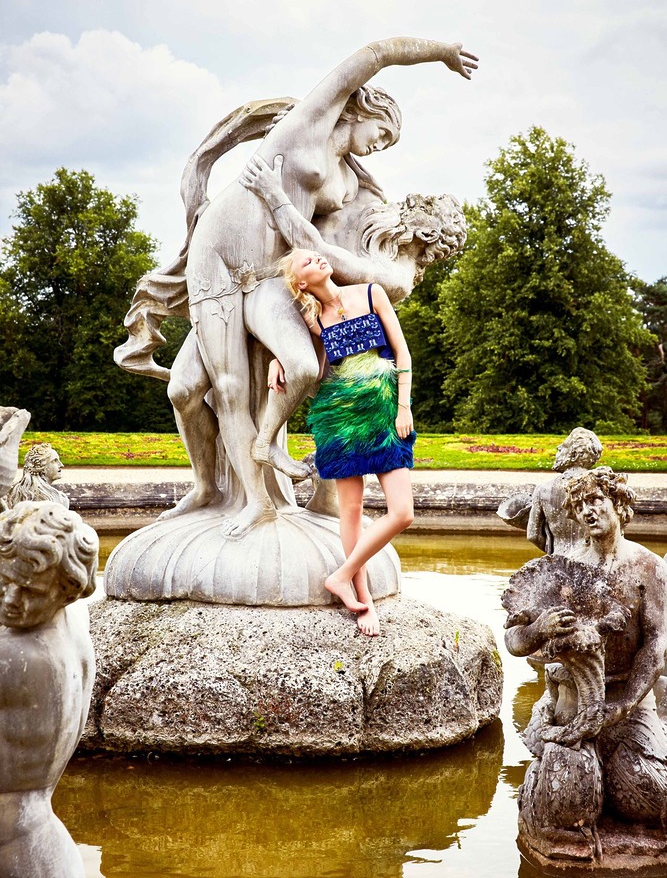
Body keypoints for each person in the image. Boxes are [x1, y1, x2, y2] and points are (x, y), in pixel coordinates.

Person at [115, 38, 477, 537]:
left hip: (270, 273)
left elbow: (330, 247)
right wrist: (441, 51)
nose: (380, 146)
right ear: (362, 108)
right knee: (210, 389)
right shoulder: (306, 126)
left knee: (299, 367)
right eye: (382, 133)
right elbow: (373, 55)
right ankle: (225, 494)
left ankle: (267, 465)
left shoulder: (350, 182)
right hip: (218, 261)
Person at [240, 151, 466, 475]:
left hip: (375, 397)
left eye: (413, 212)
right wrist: (279, 357)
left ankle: (270, 443)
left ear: (426, 234)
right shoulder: (382, 250)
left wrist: (274, 194)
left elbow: (316, 246)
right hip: (343, 397)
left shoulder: (388, 277)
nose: (400, 211)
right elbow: (316, 344)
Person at [505, 467, 667, 831]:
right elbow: (514, 641)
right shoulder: (565, 568)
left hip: (627, 704)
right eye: (579, 507)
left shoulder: (648, 567)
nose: (587, 512)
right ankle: (548, 774)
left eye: (594, 500)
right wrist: (538, 628)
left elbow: (655, 645)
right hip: (572, 702)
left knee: (647, 798)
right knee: (569, 804)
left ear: (618, 503)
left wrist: (624, 705)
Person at [267, 248, 416, 636]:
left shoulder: (370, 293)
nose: (317, 259)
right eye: (306, 262)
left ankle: (341, 575)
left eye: (315, 255)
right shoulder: (313, 319)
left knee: (402, 512)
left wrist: (404, 407)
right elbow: (310, 362)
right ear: (301, 283)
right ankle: (362, 601)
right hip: (340, 417)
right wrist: (278, 360)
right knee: (350, 510)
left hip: (384, 410)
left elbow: (402, 352)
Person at [0, 501, 98, 877]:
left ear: (66, 590)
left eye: (31, 591)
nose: (11, 600)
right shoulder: (74, 625)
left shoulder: (14, 658)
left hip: (14, 857)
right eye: (5, 581)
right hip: (45, 844)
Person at [3, 442, 68, 511]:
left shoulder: (15, 493)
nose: (61, 465)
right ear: (42, 467)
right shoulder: (57, 500)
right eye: (54, 461)